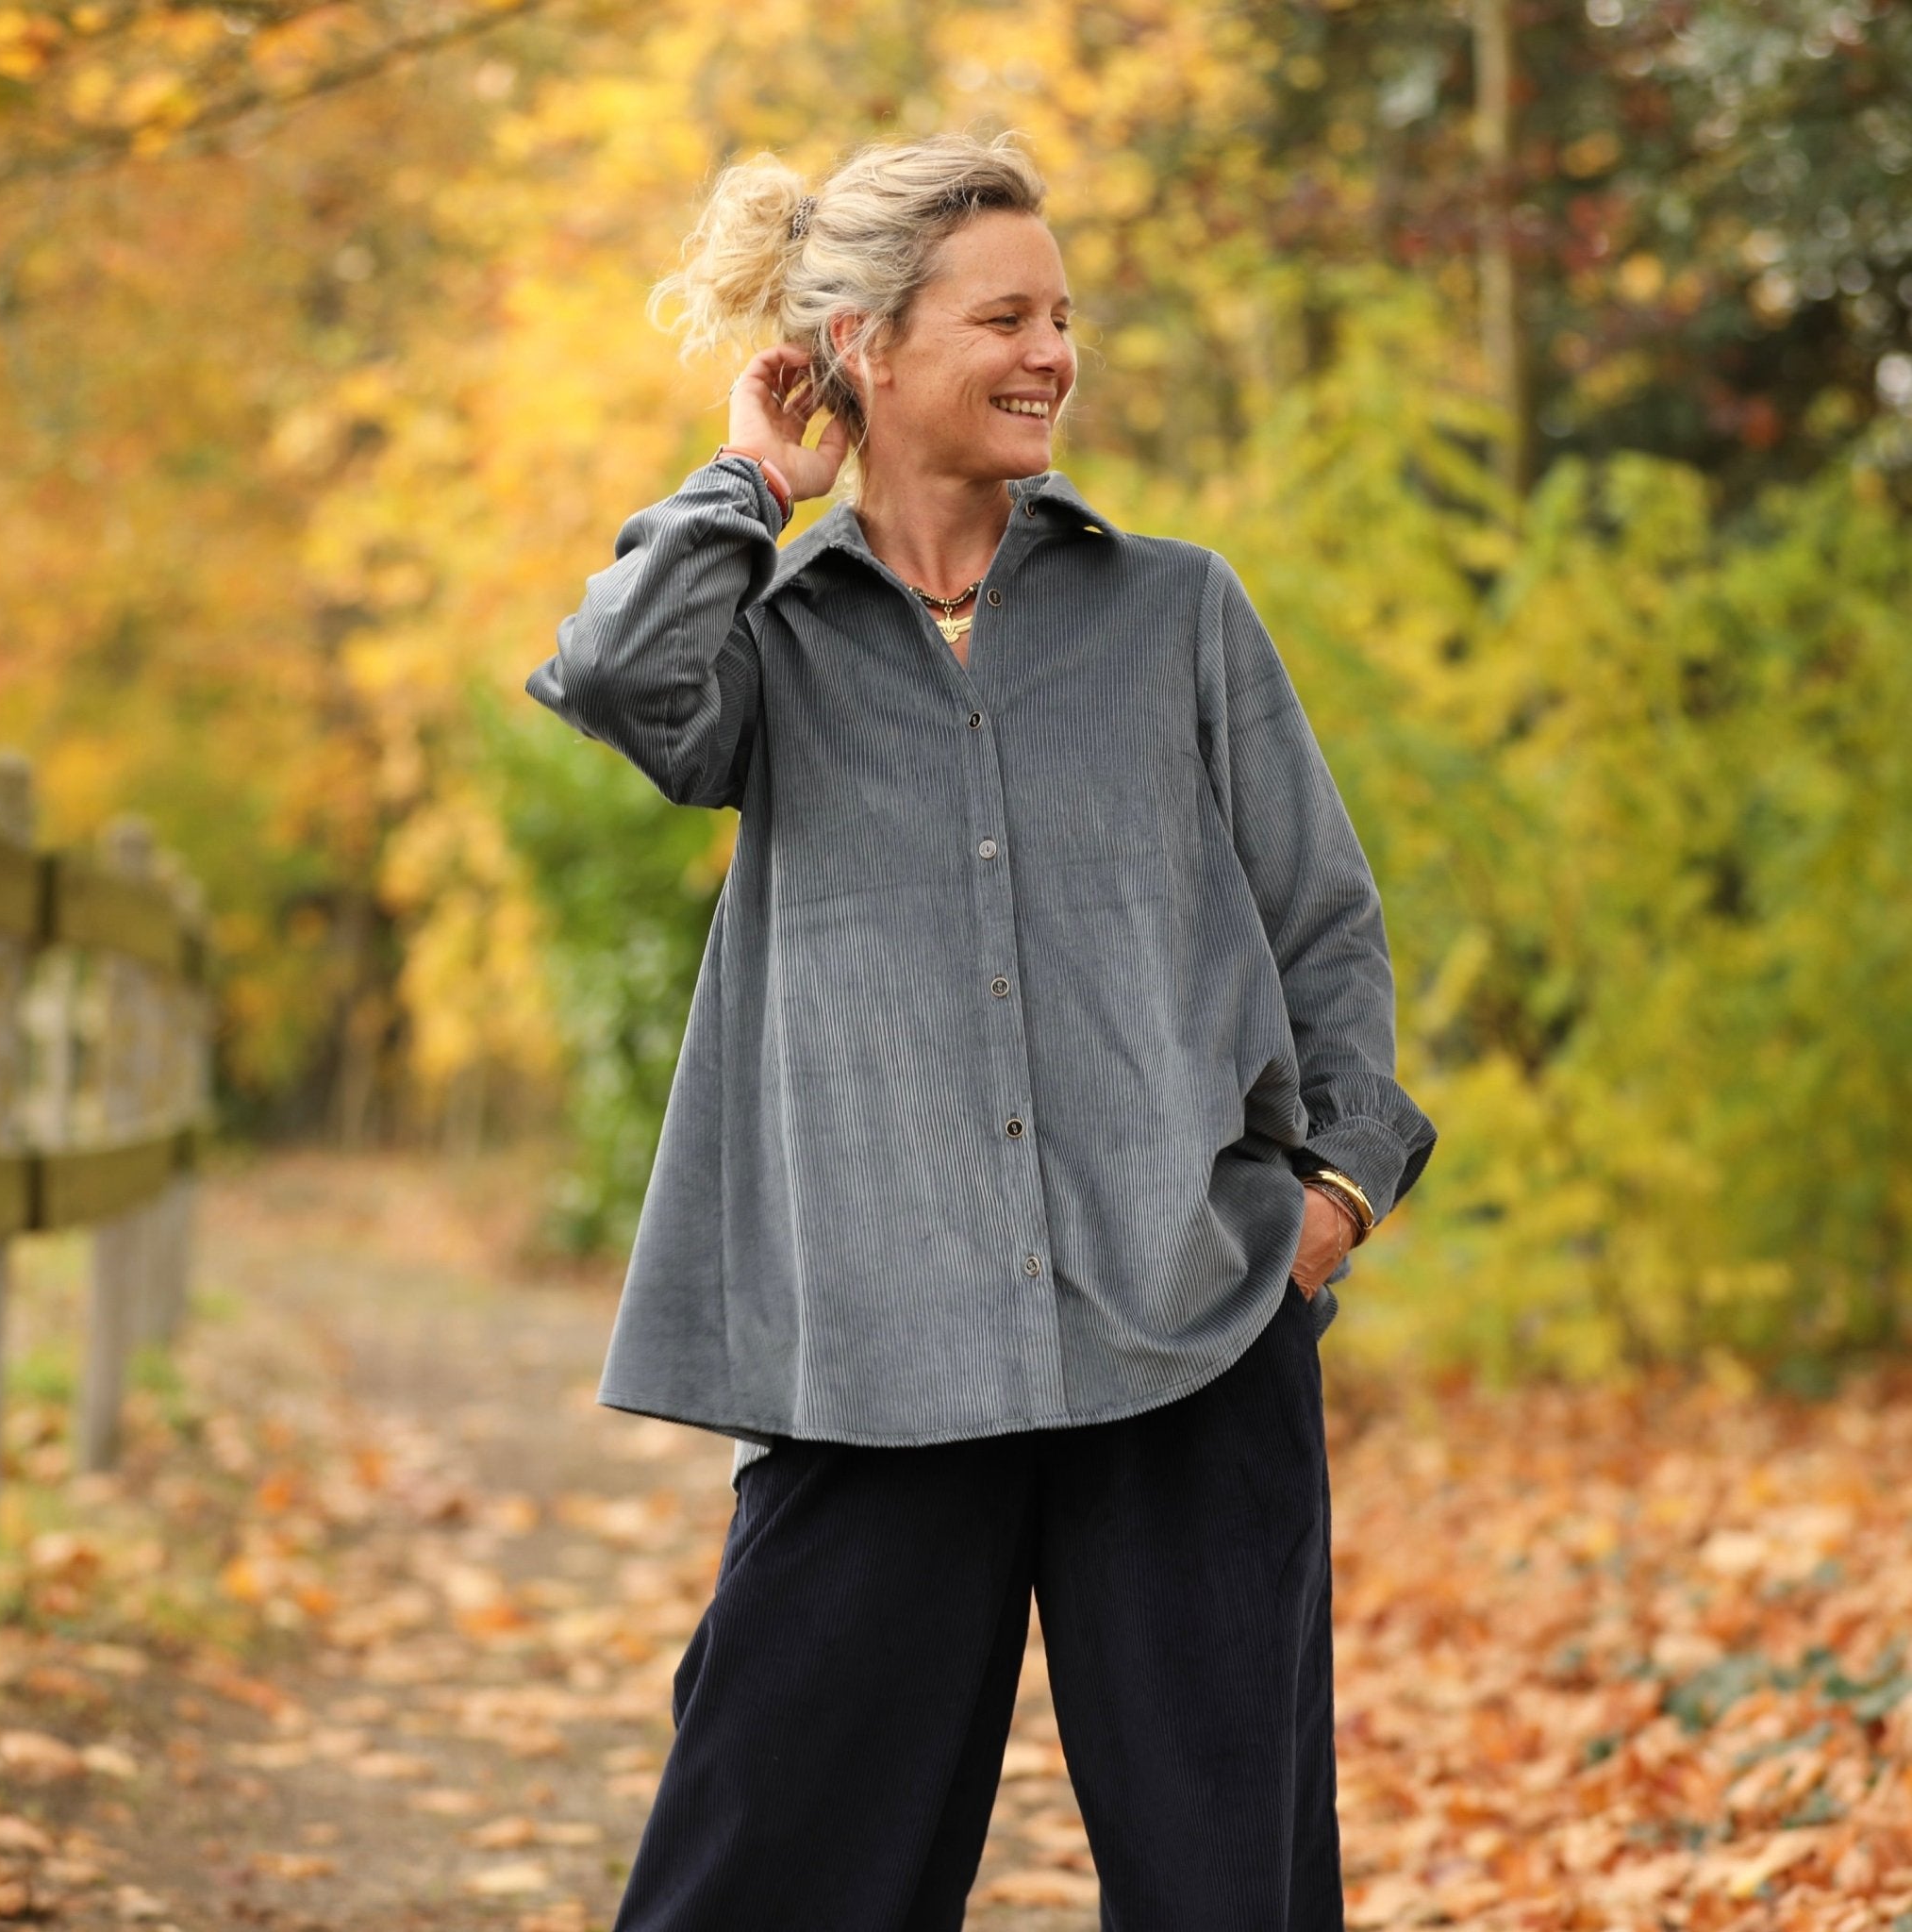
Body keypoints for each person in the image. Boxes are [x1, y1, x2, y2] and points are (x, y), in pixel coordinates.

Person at [524, 126, 1437, 1932]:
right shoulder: (768, 642)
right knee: (767, 1877)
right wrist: (748, 475)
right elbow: (620, 678)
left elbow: (1322, 923)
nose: (1051, 355)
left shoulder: (1178, 610)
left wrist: (1331, 1201)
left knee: (1229, 1893)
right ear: (864, 347)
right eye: (1003, 318)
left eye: (1062, 318)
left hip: (1191, 1335)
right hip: (873, 1364)